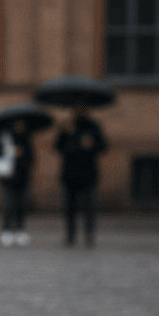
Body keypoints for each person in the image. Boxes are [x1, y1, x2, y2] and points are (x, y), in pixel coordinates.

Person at [54, 105, 108, 246]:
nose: (80, 112)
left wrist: (92, 144)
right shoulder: (67, 126)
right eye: (77, 109)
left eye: (83, 109)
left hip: (88, 173)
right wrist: (69, 135)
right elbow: (57, 147)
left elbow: (103, 146)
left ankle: (89, 233)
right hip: (70, 173)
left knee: (89, 206)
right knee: (69, 207)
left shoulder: (93, 126)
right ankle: (70, 234)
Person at [0, 118, 34, 246]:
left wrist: (21, 155)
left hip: (22, 177)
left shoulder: (26, 140)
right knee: (9, 203)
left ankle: (20, 230)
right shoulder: (5, 139)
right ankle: (6, 230)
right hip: (7, 179)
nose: (19, 127)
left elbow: (31, 159)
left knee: (22, 204)